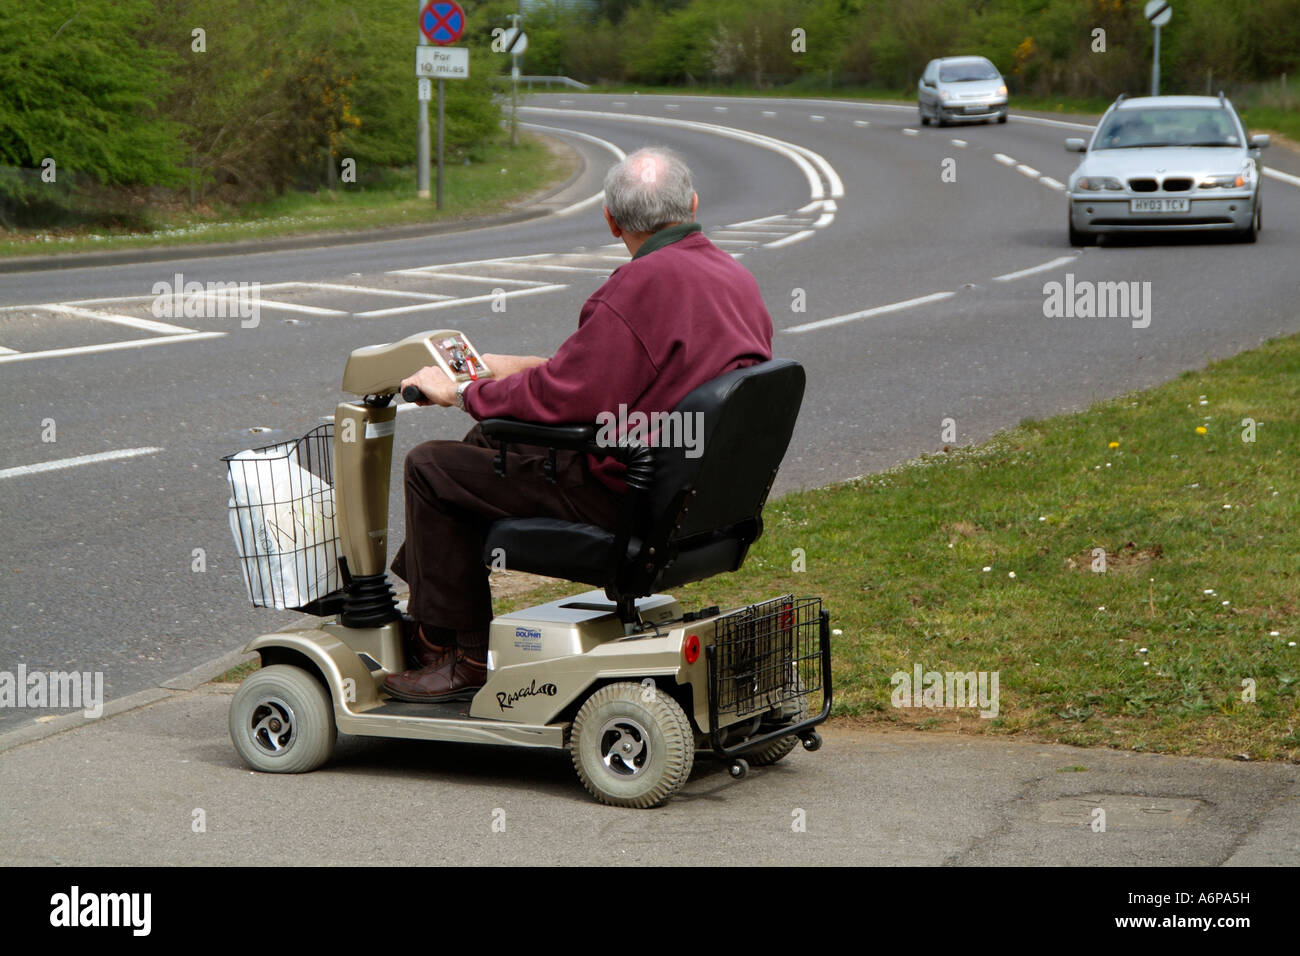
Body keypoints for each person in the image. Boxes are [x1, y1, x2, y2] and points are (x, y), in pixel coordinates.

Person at [383, 146, 774, 702]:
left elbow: (563, 400)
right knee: (490, 441)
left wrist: (466, 391)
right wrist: (502, 369)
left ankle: (461, 656)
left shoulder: (636, 288)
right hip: (690, 495)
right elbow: (606, 373)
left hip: (618, 493)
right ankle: (433, 623)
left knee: (432, 467)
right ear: (691, 204)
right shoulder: (735, 280)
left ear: (611, 221)